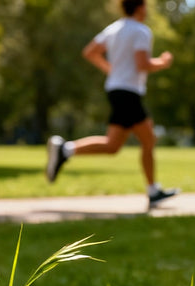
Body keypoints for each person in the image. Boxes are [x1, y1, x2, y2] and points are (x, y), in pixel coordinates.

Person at [45, 0, 177, 208]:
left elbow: (90, 52)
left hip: (116, 89)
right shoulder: (141, 31)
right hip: (129, 92)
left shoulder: (113, 28)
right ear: (140, 7)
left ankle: (65, 150)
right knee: (148, 140)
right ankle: (153, 191)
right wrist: (163, 62)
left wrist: (111, 70)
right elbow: (142, 64)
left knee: (112, 145)